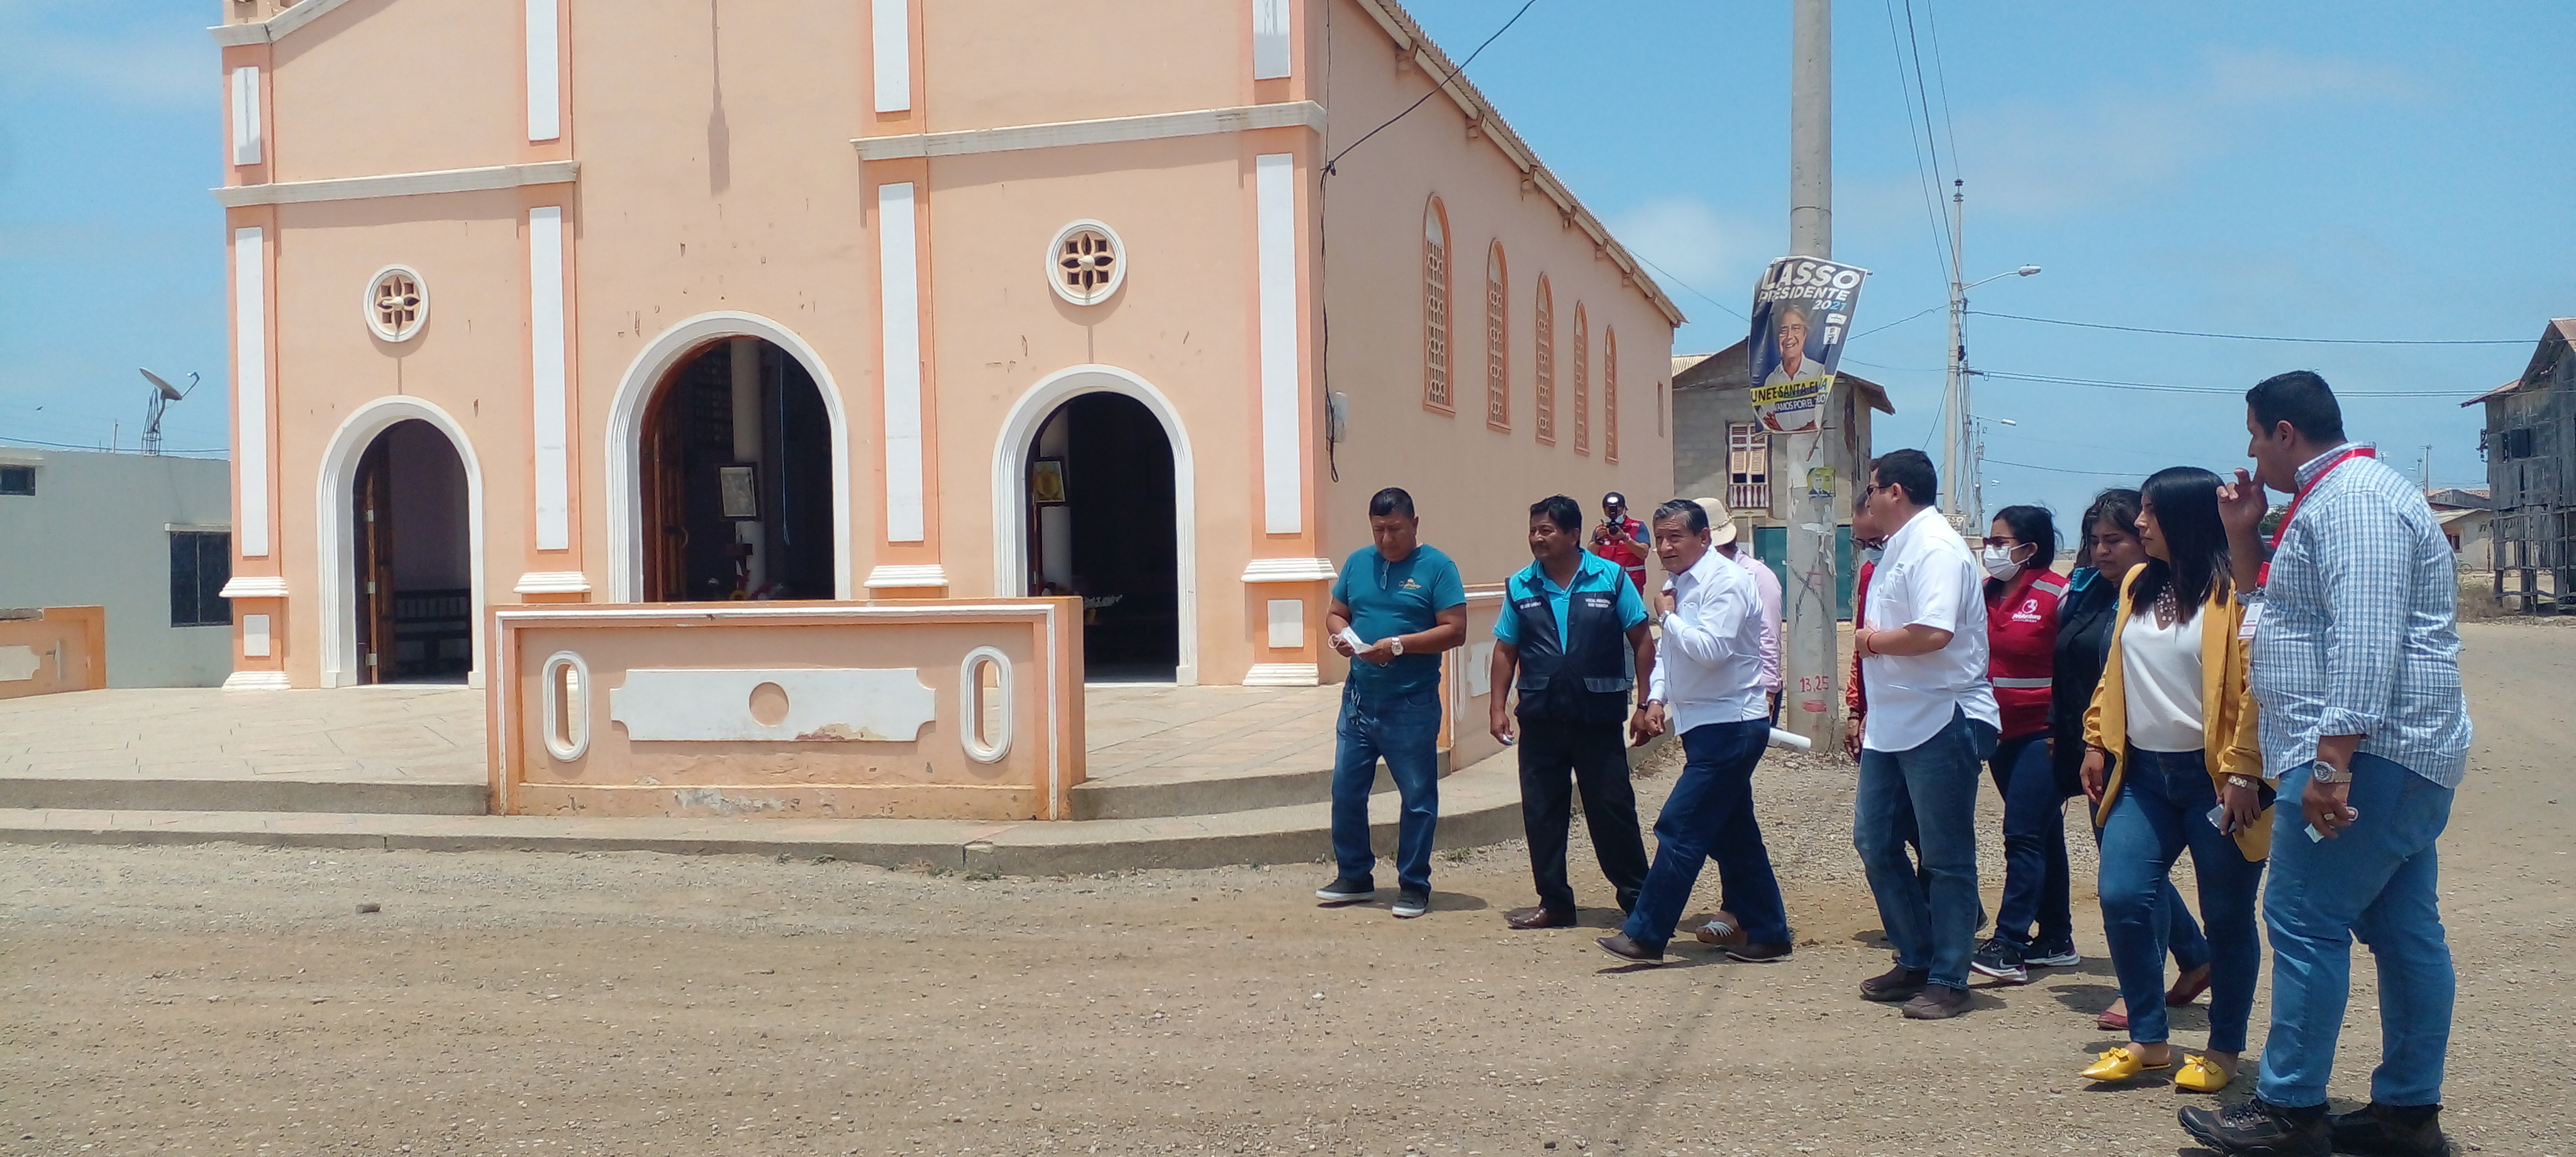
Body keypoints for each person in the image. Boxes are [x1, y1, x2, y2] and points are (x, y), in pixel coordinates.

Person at [2180, 372, 2472, 1157]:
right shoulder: (2331, 499)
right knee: (2402, 927)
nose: (2249, 453)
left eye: (2253, 435)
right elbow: (2280, 618)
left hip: (2369, 755)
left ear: (2284, 431)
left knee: (2303, 917)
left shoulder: (2355, 501)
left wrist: (2333, 760)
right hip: (2389, 754)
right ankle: (2405, 1114)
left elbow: (2366, 634)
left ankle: (2289, 1110)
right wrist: (2244, 535)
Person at [2077, 468, 2271, 1095]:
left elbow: (2255, 688)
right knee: (2123, 895)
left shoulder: (2235, 592)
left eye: (2150, 512)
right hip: (2142, 775)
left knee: (2226, 917)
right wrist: (2095, 737)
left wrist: (2244, 770)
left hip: (2216, 782)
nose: (2139, 523)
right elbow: (2115, 669)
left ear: (2185, 519)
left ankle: (2223, 1047)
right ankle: (2149, 1040)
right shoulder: (2138, 583)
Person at [1596, 499, 1790, 965]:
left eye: (1675, 537)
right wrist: (1656, 699)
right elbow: (1672, 653)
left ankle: (1646, 934)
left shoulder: (1728, 582)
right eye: (1660, 538)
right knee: (1733, 835)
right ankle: (1769, 933)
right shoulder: (1680, 583)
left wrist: (1668, 616)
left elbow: (1711, 651)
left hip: (1731, 725)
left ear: (1705, 538)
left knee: (1679, 827)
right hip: (1704, 725)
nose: (1665, 547)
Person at [2055, 490, 2212, 1032]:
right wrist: (2080, 741)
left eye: (2116, 539)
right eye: (2095, 540)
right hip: (2101, 749)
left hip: (2169, 759)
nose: (2102, 550)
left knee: (2140, 879)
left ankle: (2149, 988)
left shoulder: (2180, 597)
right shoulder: (2089, 593)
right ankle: (2193, 959)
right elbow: (2081, 673)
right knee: (2130, 876)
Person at [1850, 448, 1997, 1019]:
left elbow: (1933, 632)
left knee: (1945, 855)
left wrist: (1869, 643)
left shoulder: (1935, 546)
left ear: (1895, 491)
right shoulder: (1898, 547)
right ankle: (1916, 955)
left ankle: (1950, 976)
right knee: (1875, 839)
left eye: (1872, 488)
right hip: (1894, 720)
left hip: (1942, 714)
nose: (1867, 499)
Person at [1491, 495, 1657, 929]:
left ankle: (1640, 903)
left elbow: (1642, 641)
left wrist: (1644, 703)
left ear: (1573, 534)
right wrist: (1497, 707)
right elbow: (1505, 649)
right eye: (1533, 530)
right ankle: (1555, 902)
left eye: (1546, 530)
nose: (1537, 538)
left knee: (1612, 810)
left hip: (1597, 717)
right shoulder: (1521, 585)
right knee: (1542, 812)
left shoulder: (1611, 578)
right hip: (1541, 717)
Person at [1317, 487, 1468, 919]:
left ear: (1415, 525)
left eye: (1395, 529)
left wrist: (1399, 646)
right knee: (1346, 790)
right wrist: (1342, 637)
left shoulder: (1438, 568)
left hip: (1411, 703)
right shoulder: (1357, 563)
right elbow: (1336, 613)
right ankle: (1354, 875)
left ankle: (1414, 884)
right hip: (1359, 701)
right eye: (1378, 530)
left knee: (1417, 796)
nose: (1386, 539)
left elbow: (1455, 629)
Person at [1967, 506, 2078, 985]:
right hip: (2000, 733)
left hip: (2044, 734)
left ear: (2030, 548)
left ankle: (2009, 943)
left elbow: (2076, 663)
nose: (1991, 550)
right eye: (1989, 542)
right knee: (2044, 831)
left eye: (2001, 542)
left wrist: (2065, 729)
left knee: (2023, 834)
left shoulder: (2058, 595)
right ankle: (2056, 937)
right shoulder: (1984, 594)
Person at [1701, 500, 1785, 722]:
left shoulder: (1757, 576)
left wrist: (1768, 692)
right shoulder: (1697, 579)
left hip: (1750, 692)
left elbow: (1768, 634)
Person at [1588, 492, 1650, 597]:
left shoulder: (1637, 527)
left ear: (1625, 509)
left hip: (1631, 586)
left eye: (1617, 510)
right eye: (1608, 511)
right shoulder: (1600, 530)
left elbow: (1643, 553)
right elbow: (1590, 555)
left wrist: (1625, 538)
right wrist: (1598, 541)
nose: (1613, 514)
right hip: (1606, 586)